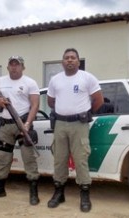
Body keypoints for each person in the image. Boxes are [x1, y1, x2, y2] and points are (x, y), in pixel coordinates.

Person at [47, 48, 104, 212]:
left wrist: (86, 113)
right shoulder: (55, 80)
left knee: (81, 160)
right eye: (66, 58)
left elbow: (98, 100)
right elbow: (51, 102)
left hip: (80, 125)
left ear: (78, 61)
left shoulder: (87, 78)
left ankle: (85, 195)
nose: (70, 60)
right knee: (59, 159)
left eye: (73, 58)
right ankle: (59, 193)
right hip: (60, 124)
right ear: (62, 62)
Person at [0, 55, 40, 205]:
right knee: (3, 158)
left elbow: (35, 105)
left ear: (23, 67)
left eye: (17, 64)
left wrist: (27, 124)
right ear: (8, 67)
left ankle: (33, 191)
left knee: (29, 158)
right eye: (11, 64)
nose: (14, 67)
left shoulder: (30, 82)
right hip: (5, 126)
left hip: (22, 123)